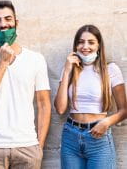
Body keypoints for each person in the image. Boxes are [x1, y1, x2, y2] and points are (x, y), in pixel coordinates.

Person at [0, 0, 51, 169]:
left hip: (27, 146)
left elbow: (44, 104)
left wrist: (39, 147)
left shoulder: (35, 59)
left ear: (16, 22)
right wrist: (3, 62)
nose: (3, 24)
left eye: (8, 19)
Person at [54, 24, 127, 169]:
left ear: (99, 45)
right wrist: (67, 70)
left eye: (91, 42)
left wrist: (106, 122)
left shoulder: (110, 70)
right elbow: (60, 109)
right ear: (75, 45)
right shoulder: (69, 69)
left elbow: (124, 110)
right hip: (70, 137)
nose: (85, 46)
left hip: (98, 137)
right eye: (81, 42)